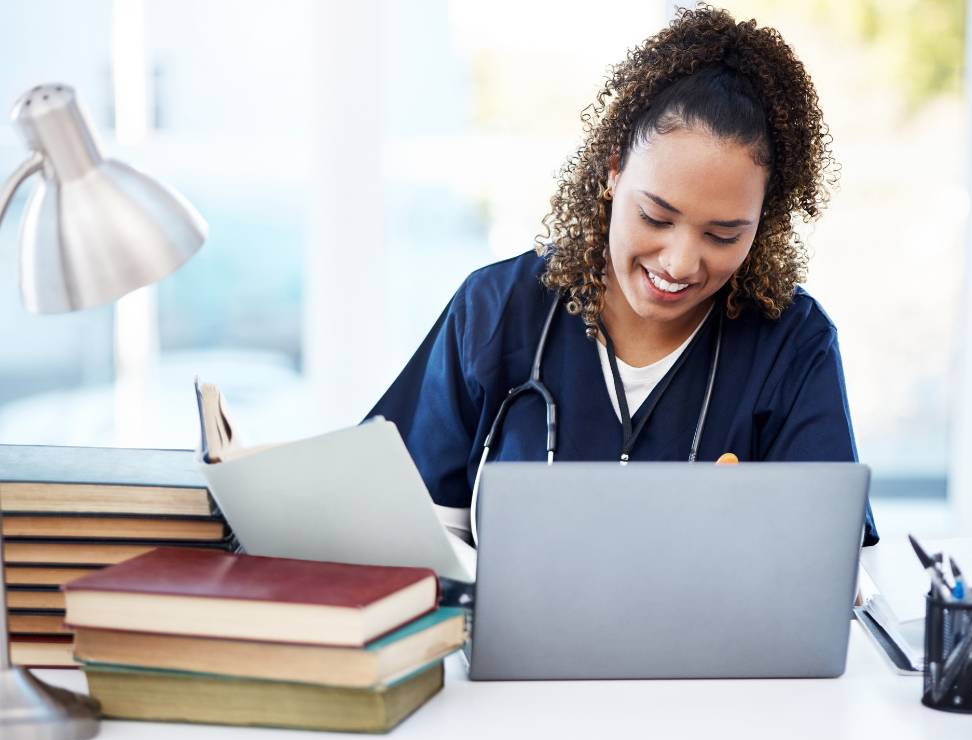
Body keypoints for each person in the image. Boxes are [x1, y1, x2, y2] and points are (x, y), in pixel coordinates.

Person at [367, 5, 877, 546]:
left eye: (723, 235)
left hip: (708, 634)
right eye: (656, 217)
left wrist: (753, 533)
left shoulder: (794, 346)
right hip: (503, 633)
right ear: (614, 170)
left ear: (763, 220)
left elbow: (833, 566)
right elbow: (395, 527)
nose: (680, 263)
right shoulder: (495, 311)